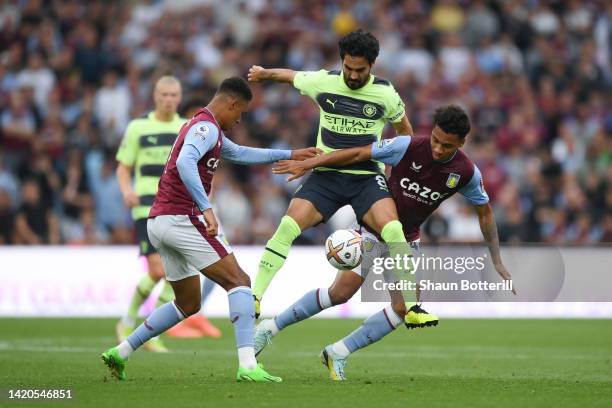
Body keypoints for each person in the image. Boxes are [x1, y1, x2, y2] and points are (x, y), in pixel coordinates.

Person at [263, 105, 515, 380]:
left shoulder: (466, 172)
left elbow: (486, 214)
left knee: (405, 307)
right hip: (373, 228)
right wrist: (314, 162)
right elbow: (359, 153)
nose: (439, 149)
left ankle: (338, 352)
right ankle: (270, 327)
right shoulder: (406, 146)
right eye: (435, 140)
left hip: (406, 239)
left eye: (447, 146)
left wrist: (497, 259)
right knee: (339, 294)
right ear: (431, 132)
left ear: (462, 143)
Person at [101, 76, 319, 382]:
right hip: (182, 219)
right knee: (240, 282)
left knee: (187, 303)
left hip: (158, 222)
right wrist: (206, 208)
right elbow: (185, 163)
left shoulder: (203, 126)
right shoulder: (206, 128)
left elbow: (241, 153)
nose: (239, 119)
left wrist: (290, 154)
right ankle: (248, 365)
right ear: (231, 104)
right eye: (240, 112)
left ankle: (120, 351)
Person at [248, 29, 436, 327]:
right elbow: (291, 75)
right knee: (287, 226)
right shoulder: (325, 82)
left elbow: (406, 135)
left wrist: (395, 168)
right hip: (326, 176)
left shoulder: (385, 94)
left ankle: (412, 307)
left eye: (359, 70)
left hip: (366, 178)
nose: (352, 75)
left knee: (393, 230)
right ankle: (254, 297)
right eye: (348, 67)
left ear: (371, 65)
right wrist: (264, 72)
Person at [114, 76, 220, 353]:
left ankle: (149, 330)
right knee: (157, 270)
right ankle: (127, 323)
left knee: (176, 273)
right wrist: (126, 190)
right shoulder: (138, 127)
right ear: (155, 96)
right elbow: (123, 167)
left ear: (180, 96)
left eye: (174, 95)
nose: (169, 99)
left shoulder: (187, 128)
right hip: (146, 206)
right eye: (164, 94)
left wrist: (204, 197)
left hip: (178, 207)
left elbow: (202, 166)